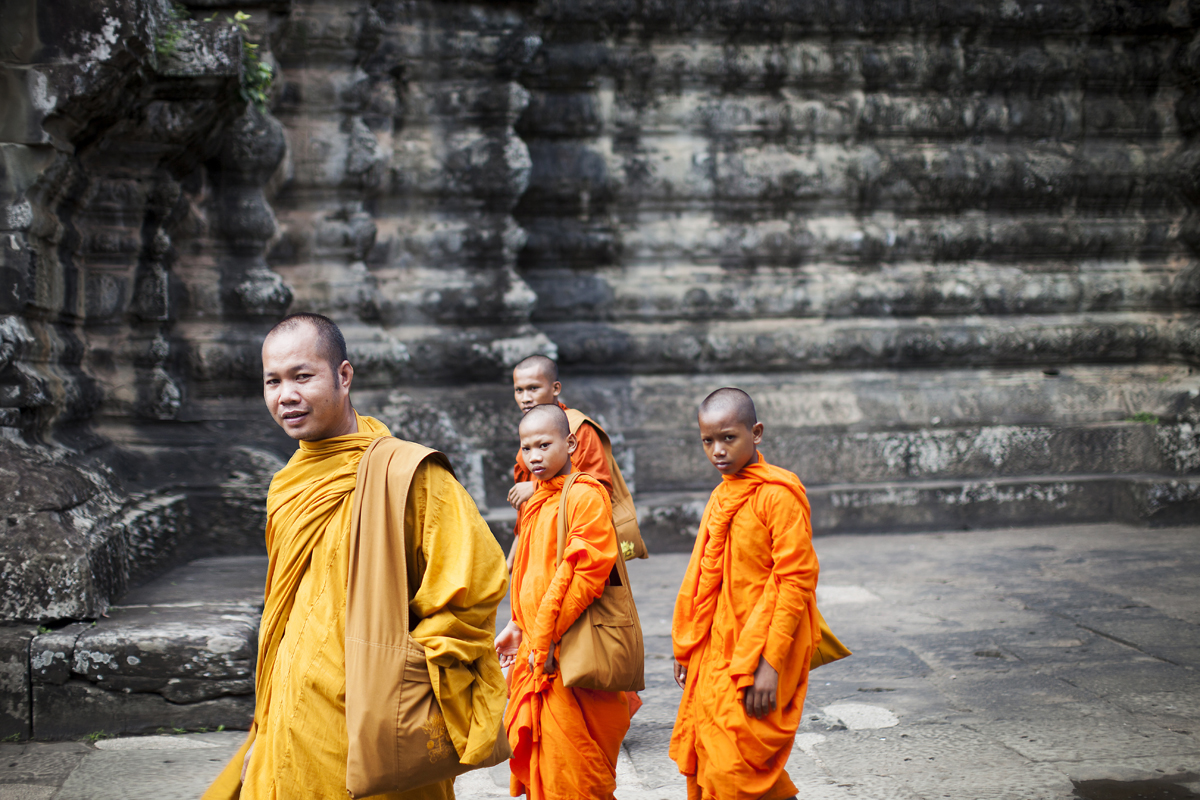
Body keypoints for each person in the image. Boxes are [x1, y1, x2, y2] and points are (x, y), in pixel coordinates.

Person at [203, 313, 509, 800]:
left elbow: (472, 585)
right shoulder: (289, 484)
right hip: (289, 715)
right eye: (273, 382)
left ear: (343, 376)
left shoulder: (408, 474)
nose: (286, 395)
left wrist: (405, 681)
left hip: (376, 721)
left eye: (303, 376)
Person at [670, 388, 821, 800]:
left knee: (738, 766)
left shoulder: (778, 494)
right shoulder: (722, 494)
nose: (717, 450)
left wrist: (769, 663)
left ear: (756, 433)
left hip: (761, 646)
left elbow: (796, 580)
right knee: (713, 759)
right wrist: (689, 647)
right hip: (716, 649)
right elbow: (703, 580)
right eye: (707, 441)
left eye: (728, 438)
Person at [495, 404, 631, 800]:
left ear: (570, 443)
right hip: (539, 649)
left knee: (576, 775)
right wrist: (518, 625)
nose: (534, 456)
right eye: (526, 448)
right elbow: (530, 574)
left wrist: (546, 638)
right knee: (547, 770)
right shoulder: (536, 501)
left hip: (568, 650)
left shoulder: (585, 496)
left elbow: (585, 577)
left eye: (544, 445)